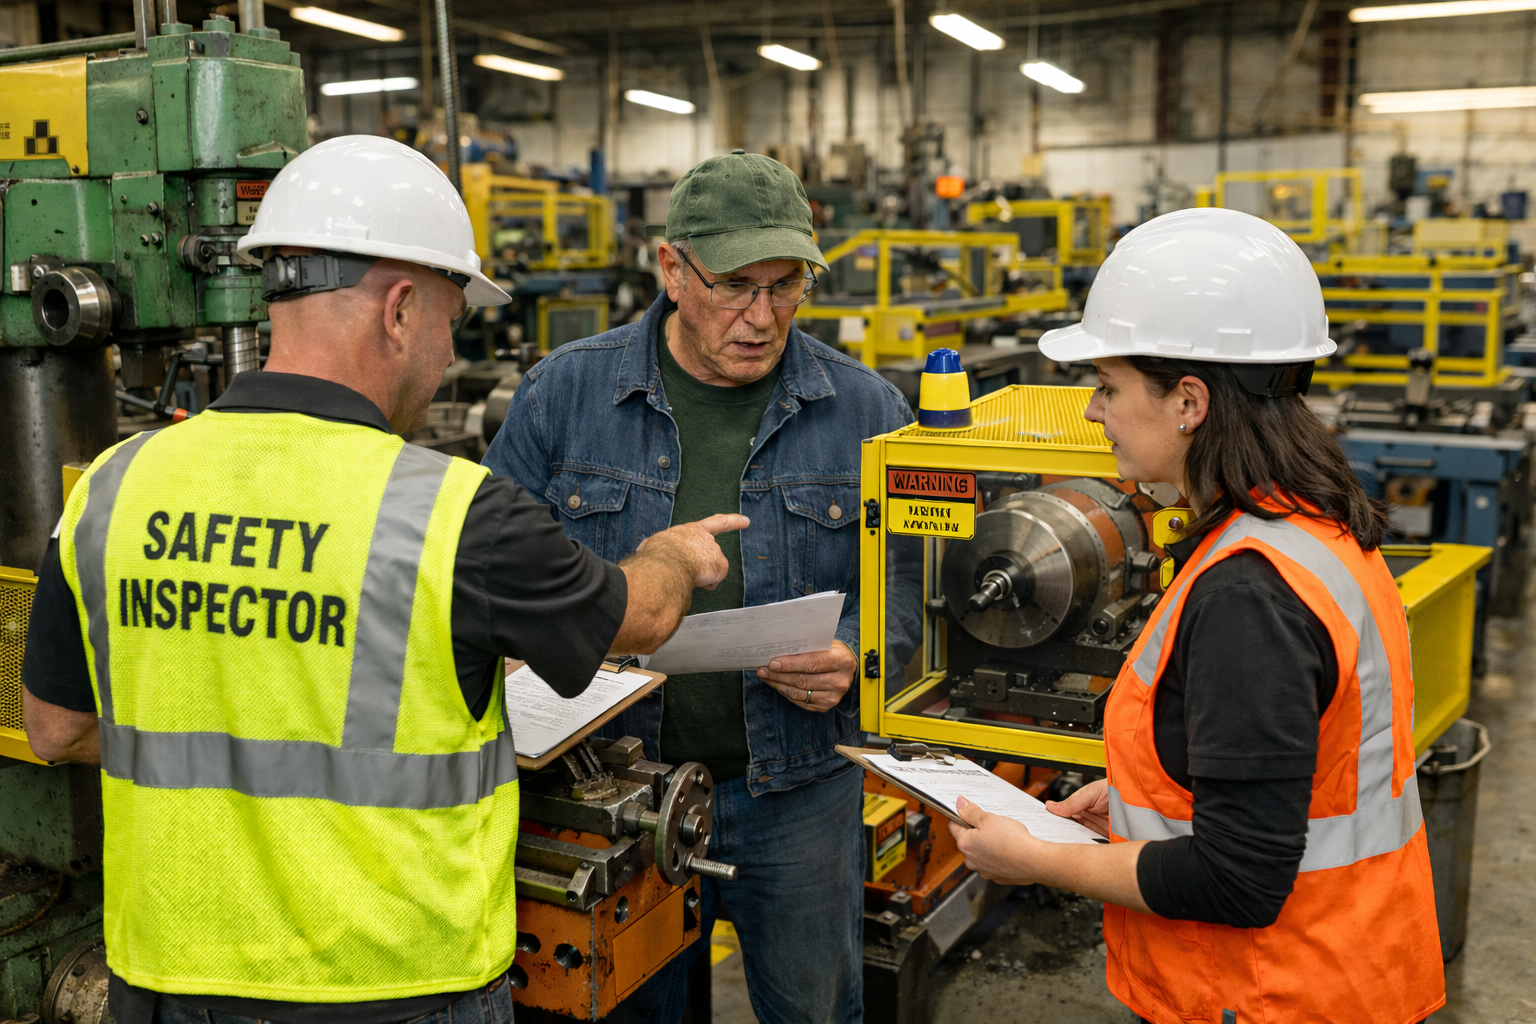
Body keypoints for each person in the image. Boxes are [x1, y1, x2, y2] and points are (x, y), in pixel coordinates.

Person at [19, 135, 744, 1024]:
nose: (445, 353)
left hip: (167, 979)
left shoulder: (112, 488)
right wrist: (674, 554)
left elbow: (54, 729)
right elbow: (635, 617)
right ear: (400, 309)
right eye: (449, 319)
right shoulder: (452, 513)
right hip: (390, 986)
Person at [949, 207, 1445, 1024]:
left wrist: (1037, 859)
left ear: (1188, 400)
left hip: (1268, 993)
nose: (1092, 411)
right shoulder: (1306, 529)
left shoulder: (1251, 592)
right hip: (1340, 971)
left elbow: (1238, 878)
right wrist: (1144, 795)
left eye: (1107, 386)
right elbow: (1295, 774)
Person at [483, 148, 921, 1024]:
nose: (764, 317)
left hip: (796, 792)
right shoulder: (564, 396)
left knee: (815, 1011)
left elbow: (915, 588)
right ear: (672, 269)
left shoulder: (869, 413)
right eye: (734, 286)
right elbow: (494, 576)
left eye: (787, 286)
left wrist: (861, 653)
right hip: (617, 791)